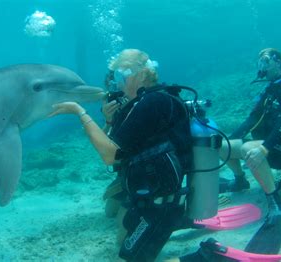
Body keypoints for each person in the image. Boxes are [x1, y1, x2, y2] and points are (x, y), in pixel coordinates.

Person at [50, 49, 193, 261]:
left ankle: (202, 249)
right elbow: (113, 146)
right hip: (143, 187)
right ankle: (173, 220)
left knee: (132, 257)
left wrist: (80, 113)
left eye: (121, 77)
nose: (117, 84)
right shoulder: (138, 104)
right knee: (119, 231)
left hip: (160, 195)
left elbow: (110, 156)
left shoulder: (152, 102)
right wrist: (108, 122)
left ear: (142, 75)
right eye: (114, 77)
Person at [219, 48, 281, 225]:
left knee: (247, 148)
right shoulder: (270, 90)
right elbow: (251, 119)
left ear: (279, 62)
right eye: (260, 62)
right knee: (222, 146)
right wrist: (230, 140)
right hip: (268, 145)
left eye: (266, 61)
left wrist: (264, 148)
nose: (263, 66)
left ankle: (274, 201)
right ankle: (240, 181)